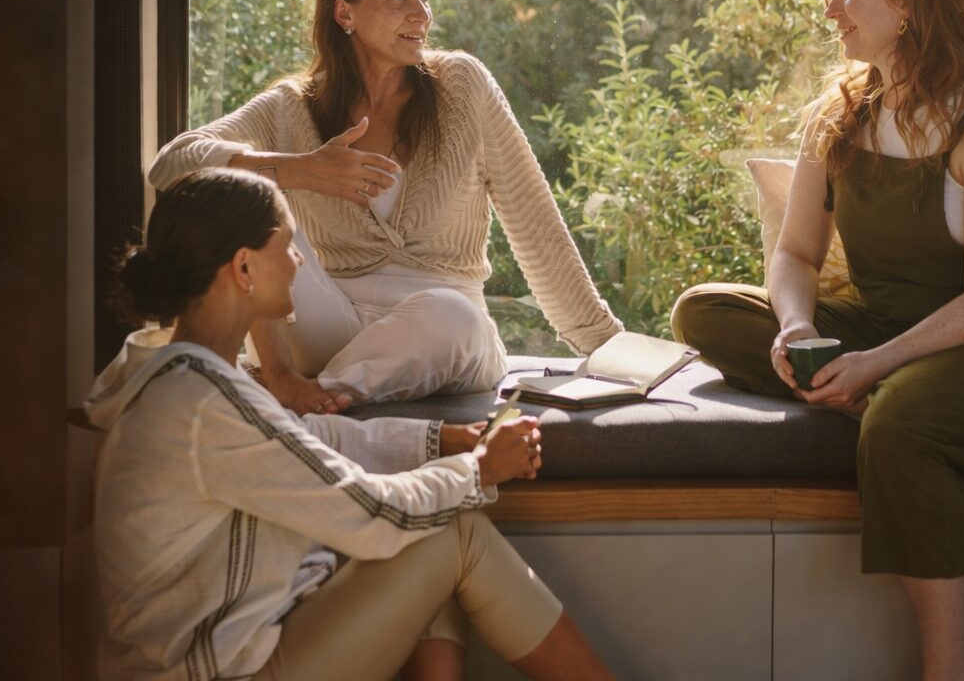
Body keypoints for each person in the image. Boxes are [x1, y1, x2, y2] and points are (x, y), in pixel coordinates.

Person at [672, 0, 964, 681]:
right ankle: (865, 384)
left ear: (910, 4)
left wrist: (873, 365)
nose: (832, 12)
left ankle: (949, 667)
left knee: (896, 426)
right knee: (705, 311)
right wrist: (794, 326)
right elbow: (794, 254)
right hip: (885, 328)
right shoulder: (839, 117)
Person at [87, 167, 611, 681]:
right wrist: (478, 471)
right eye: (288, 245)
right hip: (223, 671)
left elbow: (308, 441)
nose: (297, 261)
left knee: (430, 520)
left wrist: (443, 440)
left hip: (241, 646)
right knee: (451, 528)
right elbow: (372, 512)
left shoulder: (186, 378)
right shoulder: (206, 402)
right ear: (243, 268)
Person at [150, 0, 622, 416]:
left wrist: (606, 346)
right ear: (344, 14)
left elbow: (536, 225)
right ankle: (297, 384)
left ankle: (302, 393)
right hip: (325, 320)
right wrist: (304, 171)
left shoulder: (463, 86)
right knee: (244, 205)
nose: (422, 14)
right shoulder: (292, 107)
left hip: (443, 330)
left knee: (453, 316)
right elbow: (173, 164)